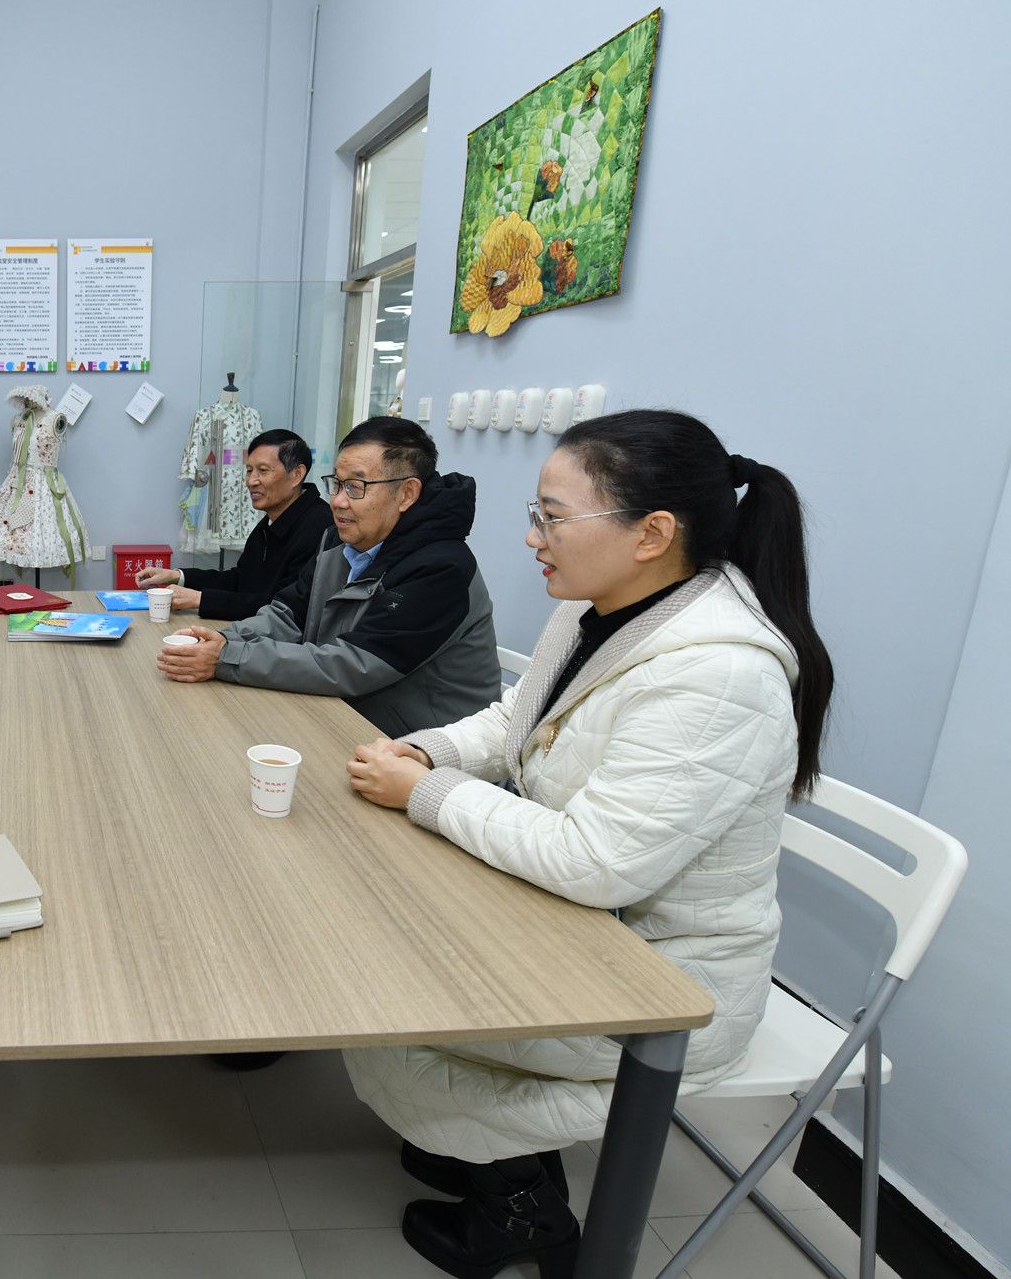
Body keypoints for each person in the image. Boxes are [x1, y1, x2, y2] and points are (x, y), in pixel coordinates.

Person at [341, 409, 834, 1277]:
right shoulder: (597, 607)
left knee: (389, 1002)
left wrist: (426, 792)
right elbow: (516, 720)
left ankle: (524, 1209)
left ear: (652, 533)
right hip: (580, 926)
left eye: (552, 517)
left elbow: (597, 859)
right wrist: (430, 751)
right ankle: (487, 1159)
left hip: (665, 987)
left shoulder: (720, 672)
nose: (533, 537)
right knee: (382, 944)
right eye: (536, 513)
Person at [156, 417, 499, 738]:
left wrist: (229, 657)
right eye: (337, 484)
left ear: (407, 493)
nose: (337, 501)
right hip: (342, 715)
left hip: (422, 749)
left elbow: (354, 664)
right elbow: (288, 614)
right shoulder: (341, 540)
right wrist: (222, 640)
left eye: (355, 487)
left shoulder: (442, 568)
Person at [135, 428, 330, 619]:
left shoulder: (320, 527)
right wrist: (177, 576)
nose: (251, 481)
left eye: (262, 471)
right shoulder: (271, 520)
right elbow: (240, 580)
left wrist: (200, 599)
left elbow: (283, 608)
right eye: (249, 470)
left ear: (296, 474)